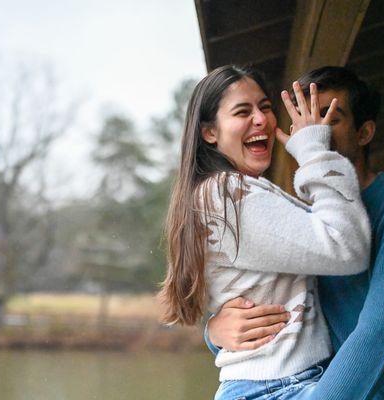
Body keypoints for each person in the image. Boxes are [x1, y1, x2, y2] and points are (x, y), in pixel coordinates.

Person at [205, 66, 384, 399]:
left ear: (364, 133)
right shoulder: (309, 215)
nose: (314, 128)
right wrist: (213, 331)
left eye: (329, 116)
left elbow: (382, 330)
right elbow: (271, 300)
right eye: (305, 117)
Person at [158, 64, 371, 400]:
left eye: (266, 107)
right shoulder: (228, 194)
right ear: (209, 132)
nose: (261, 119)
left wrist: (212, 332)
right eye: (243, 111)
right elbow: (346, 246)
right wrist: (315, 150)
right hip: (277, 388)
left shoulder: (240, 191)